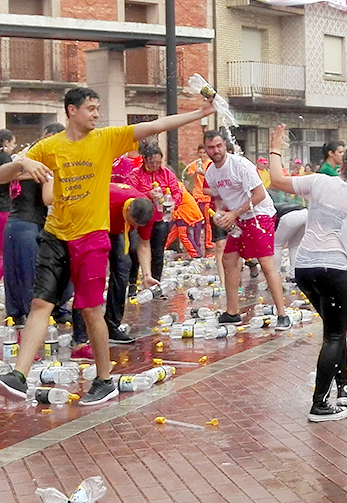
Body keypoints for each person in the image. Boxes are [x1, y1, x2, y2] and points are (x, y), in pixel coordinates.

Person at [0, 86, 215, 405]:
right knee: (40, 304)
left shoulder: (106, 139)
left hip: (91, 237)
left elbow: (155, 126)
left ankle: (103, 380)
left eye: (98, 108)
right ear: (72, 110)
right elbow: (2, 175)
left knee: (89, 309)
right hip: (56, 235)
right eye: (91, 108)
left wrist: (199, 113)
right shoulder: (49, 146)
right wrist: (22, 165)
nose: (96, 114)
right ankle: (18, 376)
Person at [266, 125, 347, 422]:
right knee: (335, 335)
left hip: (304, 268)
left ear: (343, 163)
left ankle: (344, 388)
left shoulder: (319, 181)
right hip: (335, 269)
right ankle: (320, 405)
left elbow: (277, 179)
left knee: (333, 329)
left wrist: (275, 146)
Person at [202, 130, 291, 329]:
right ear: (206, 150)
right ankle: (232, 312)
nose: (216, 150)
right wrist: (219, 213)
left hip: (260, 214)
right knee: (228, 259)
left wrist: (234, 213)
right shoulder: (211, 172)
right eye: (211, 147)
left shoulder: (241, 165)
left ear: (225, 145)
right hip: (239, 217)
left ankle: (282, 314)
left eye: (219, 146)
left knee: (265, 262)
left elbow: (259, 194)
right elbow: (218, 197)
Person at [3, 123, 69, 328]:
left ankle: (15, 315)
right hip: (30, 226)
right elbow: (48, 198)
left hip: (12, 224)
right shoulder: (45, 169)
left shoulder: (18, 165)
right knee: (33, 274)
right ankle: (36, 315)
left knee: (14, 274)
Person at [104, 183, 160, 345]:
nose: (135, 227)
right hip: (97, 222)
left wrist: (147, 274)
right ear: (129, 210)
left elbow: (144, 245)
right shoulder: (111, 199)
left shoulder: (148, 213)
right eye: (134, 223)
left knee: (123, 268)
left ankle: (112, 325)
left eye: (138, 226)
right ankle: (80, 333)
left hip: (118, 230)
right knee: (92, 274)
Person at [127, 143, 180, 286]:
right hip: (140, 219)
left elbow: (176, 192)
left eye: (158, 162)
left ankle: (156, 282)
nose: (155, 165)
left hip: (160, 217)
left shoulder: (167, 174)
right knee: (134, 250)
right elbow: (130, 194)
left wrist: (173, 202)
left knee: (158, 251)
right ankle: (132, 282)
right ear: (145, 160)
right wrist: (147, 194)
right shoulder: (135, 174)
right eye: (152, 162)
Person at [183, 143, 213, 252]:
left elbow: (212, 178)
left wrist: (203, 173)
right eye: (200, 153)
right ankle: (196, 243)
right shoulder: (194, 165)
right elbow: (189, 178)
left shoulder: (211, 164)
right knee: (197, 221)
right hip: (197, 196)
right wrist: (196, 172)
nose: (202, 155)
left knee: (208, 222)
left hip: (207, 197)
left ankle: (208, 244)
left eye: (204, 153)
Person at [0, 129, 14, 277]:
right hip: (3, 208)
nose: (13, 147)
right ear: (6, 142)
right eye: (12, 143)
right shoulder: (6, 159)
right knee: (4, 250)